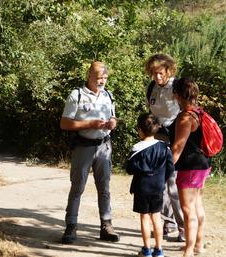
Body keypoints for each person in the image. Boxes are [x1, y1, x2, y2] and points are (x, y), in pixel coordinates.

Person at [60, 61, 119, 244]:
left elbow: (113, 117)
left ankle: (106, 226)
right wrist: (90, 124)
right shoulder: (76, 95)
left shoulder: (108, 95)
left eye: (105, 78)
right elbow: (64, 123)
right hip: (83, 147)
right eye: (99, 77)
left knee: (105, 188)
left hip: (104, 147)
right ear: (89, 76)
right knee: (77, 187)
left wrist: (112, 123)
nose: (102, 81)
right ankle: (71, 227)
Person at [145, 53, 185, 242]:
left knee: (173, 185)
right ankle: (168, 224)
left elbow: (188, 114)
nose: (157, 77)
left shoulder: (177, 87)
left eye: (160, 73)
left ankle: (184, 228)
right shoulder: (152, 87)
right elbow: (151, 114)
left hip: (177, 140)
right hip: (158, 139)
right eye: (154, 73)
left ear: (169, 70)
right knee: (160, 185)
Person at [169, 78, 210, 257]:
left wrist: (165, 167)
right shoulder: (199, 112)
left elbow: (178, 147)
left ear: (177, 95)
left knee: (187, 209)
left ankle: (188, 250)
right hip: (202, 164)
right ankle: (198, 245)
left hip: (190, 167)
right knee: (197, 206)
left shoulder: (185, 116)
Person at [126, 113, 174, 257]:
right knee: (157, 217)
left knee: (145, 218)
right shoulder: (165, 147)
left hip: (142, 188)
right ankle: (159, 250)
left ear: (139, 130)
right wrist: (161, 180)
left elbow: (129, 169)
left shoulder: (137, 149)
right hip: (158, 188)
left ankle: (146, 250)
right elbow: (170, 168)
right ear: (157, 128)